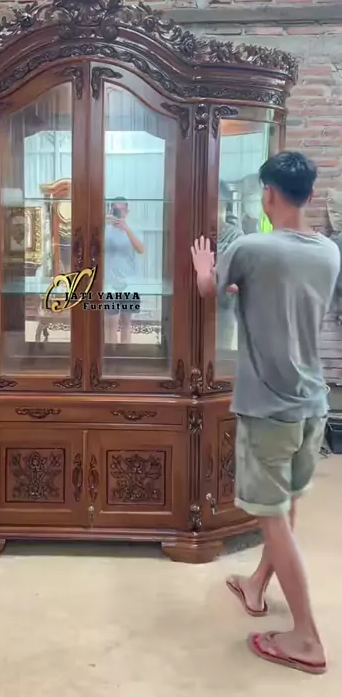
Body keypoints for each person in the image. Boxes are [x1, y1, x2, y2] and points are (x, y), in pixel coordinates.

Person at [191, 151, 340, 675]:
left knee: (271, 518)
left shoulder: (252, 247)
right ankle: (256, 585)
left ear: (268, 193)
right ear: (310, 194)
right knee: (286, 505)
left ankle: (307, 638)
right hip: (313, 404)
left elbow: (210, 292)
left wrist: (205, 269)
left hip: (268, 407)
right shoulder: (329, 252)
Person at [104, 197, 144, 344]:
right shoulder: (105, 230)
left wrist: (126, 229)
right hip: (110, 283)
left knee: (127, 323)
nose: (118, 213)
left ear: (127, 211)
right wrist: (102, 223)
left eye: (121, 210)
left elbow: (141, 249)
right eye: (115, 210)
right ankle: (110, 355)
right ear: (111, 210)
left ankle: (126, 354)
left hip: (130, 282)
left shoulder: (134, 229)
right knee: (110, 324)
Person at [217, 181, 243, 352]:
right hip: (192, 307)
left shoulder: (236, 236)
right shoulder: (193, 230)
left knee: (220, 354)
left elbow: (241, 278)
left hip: (223, 308)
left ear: (225, 204)